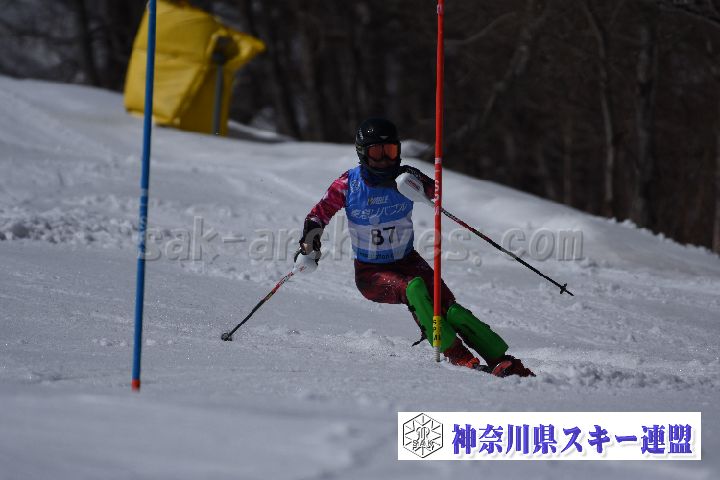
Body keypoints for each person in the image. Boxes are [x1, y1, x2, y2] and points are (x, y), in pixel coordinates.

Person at [295, 117, 534, 377]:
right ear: (362, 153)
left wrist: (424, 189)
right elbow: (318, 215)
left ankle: (502, 359)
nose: (384, 160)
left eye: (390, 151)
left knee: (450, 309)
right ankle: (458, 355)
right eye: (377, 153)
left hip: (408, 260)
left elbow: (435, 193)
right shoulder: (348, 185)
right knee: (415, 289)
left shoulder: (405, 177)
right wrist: (310, 243)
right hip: (371, 272)